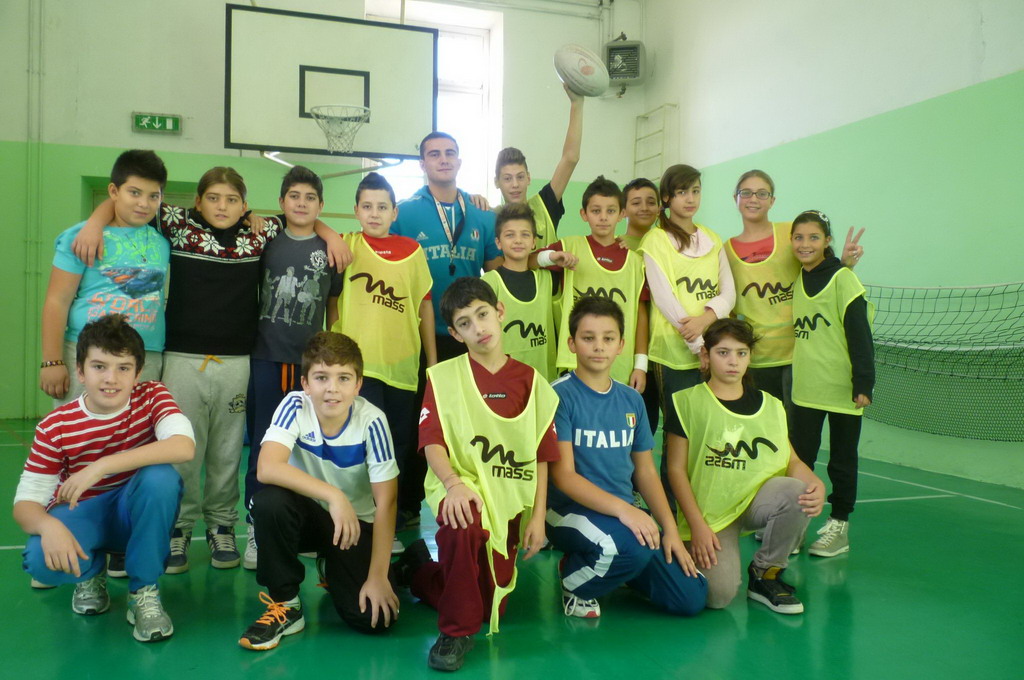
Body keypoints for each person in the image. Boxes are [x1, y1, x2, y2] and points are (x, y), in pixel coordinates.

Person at [74, 166, 349, 574]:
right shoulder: (177, 223)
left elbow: (303, 217)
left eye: (232, 200)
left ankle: (222, 525)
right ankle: (180, 528)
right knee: (184, 446)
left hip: (237, 360)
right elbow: (125, 203)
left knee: (226, 450)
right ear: (198, 201)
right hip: (182, 358)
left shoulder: (259, 233)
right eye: (214, 198)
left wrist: (332, 235)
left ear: (244, 206)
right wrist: (94, 223)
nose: (222, 207)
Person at [395, 277, 558, 672]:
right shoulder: (443, 377)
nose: (478, 328)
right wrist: (453, 484)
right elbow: (432, 441)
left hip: (507, 496)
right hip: (459, 486)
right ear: (454, 333)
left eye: (483, 314)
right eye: (465, 323)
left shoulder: (530, 381)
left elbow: (542, 455)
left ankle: (419, 571)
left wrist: (538, 518)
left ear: (500, 311)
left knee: (488, 606)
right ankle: (454, 633)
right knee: (462, 521)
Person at [14, 315, 195, 641]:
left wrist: (101, 466)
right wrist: (48, 526)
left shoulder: (152, 396)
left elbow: (183, 446)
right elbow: (25, 504)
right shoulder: (55, 426)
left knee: (161, 478)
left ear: (138, 373)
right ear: (80, 371)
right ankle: (92, 572)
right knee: (39, 560)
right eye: (99, 366)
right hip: (85, 513)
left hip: (132, 511)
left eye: (123, 368)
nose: (111, 379)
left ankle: (143, 591)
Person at [547, 296, 706, 619]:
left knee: (691, 595)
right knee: (631, 547)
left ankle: (620, 565)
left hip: (621, 513)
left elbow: (645, 472)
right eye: (588, 338)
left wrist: (670, 529)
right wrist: (626, 511)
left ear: (621, 345)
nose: (598, 346)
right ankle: (574, 580)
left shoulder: (631, 399)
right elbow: (564, 477)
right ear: (572, 343)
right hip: (567, 512)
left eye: (608, 338)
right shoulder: (559, 395)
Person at [239, 332, 400, 650]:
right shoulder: (295, 405)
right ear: (306, 383)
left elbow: (387, 502)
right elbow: (267, 467)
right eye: (322, 377)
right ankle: (286, 604)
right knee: (268, 502)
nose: (332, 388)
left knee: (374, 619)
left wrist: (378, 576)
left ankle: (343, 566)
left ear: (358, 384)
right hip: (307, 518)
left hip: (354, 527)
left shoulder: (372, 421)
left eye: (344, 378)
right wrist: (333, 495)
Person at [664, 318, 825, 614]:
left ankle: (765, 574)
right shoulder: (686, 402)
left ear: (750, 357)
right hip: (711, 515)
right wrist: (697, 526)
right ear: (706, 355)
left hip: (755, 501)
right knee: (718, 596)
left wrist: (816, 483)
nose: (733, 361)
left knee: (799, 492)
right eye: (723, 352)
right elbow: (675, 470)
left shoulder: (771, 405)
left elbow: (791, 461)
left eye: (741, 353)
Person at [244, 166, 345, 570]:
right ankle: (255, 526)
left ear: (321, 205)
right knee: (264, 446)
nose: (302, 204)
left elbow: (333, 306)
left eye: (310, 198)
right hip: (266, 357)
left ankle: (304, 527)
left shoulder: (331, 249)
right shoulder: (267, 238)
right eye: (294, 196)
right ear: (282, 202)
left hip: (310, 365)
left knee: (308, 449)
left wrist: (332, 352)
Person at [331, 171, 436, 551]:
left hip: (403, 371)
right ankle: (353, 525)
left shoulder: (413, 251)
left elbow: (424, 306)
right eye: (367, 206)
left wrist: (432, 362)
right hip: (358, 370)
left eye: (382, 207)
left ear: (395, 212)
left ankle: (384, 526)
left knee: (394, 450)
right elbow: (331, 301)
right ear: (356, 210)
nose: (374, 213)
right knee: (358, 448)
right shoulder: (345, 245)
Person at [40, 150, 169, 405]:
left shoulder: (163, 239)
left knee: (137, 429)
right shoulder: (81, 237)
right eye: (134, 193)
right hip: (88, 352)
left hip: (146, 356)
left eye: (153, 196)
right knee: (81, 428)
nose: (144, 203)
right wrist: (51, 360)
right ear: (114, 191)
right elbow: (57, 300)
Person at [725, 170, 865, 404]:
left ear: (772, 200)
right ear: (735, 198)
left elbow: (821, 276)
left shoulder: (791, 233)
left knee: (797, 426)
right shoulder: (726, 251)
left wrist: (845, 265)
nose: (754, 199)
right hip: (758, 357)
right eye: (746, 192)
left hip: (801, 354)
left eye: (762, 193)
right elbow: (728, 305)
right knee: (766, 422)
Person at [789, 210, 874, 557]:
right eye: (798, 237)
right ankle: (794, 527)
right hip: (806, 389)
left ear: (827, 241)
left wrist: (863, 382)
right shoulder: (798, 277)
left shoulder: (844, 279)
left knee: (841, 460)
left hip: (842, 389)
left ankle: (839, 527)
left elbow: (860, 333)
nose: (805, 244)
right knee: (800, 461)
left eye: (813, 237)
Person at [391, 132, 502, 362]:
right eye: (434, 154)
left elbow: (499, 277)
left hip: (470, 332)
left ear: (458, 162)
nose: (443, 160)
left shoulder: (482, 213)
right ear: (422, 164)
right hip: (419, 333)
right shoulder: (401, 214)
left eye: (449, 153)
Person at [536, 176, 649, 391]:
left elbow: (641, 315)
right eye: (596, 211)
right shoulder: (570, 246)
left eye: (610, 211)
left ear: (622, 214)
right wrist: (552, 257)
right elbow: (531, 260)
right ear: (584, 214)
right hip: (575, 360)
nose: (603, 217)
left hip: (620, 364)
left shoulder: (635, 262)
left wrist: (640, 366)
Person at [481, 202, 576, 380]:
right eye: (510, 235)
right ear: (498, 243)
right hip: (504, 381)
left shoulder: (548, 279)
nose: (518, 240)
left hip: (544, 379)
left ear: (533, 242)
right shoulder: (489, 283)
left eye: (525, 235)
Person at [493, 83, 584, 249]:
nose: (515, 184)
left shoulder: (544, 206)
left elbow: (570, 158)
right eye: (507, 178)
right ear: (497, 182)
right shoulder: (491, 219)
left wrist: (577, 104)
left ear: (528, 178)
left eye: (520, 177)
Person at [621, 177, 663, 434]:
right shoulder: (618, 246)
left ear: (660, 207)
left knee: (651, 423)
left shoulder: (667, 244)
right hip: (632, 349)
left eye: (650, 202)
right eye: (636, 202)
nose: (645, 208)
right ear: (623, 209)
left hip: (664, 347)